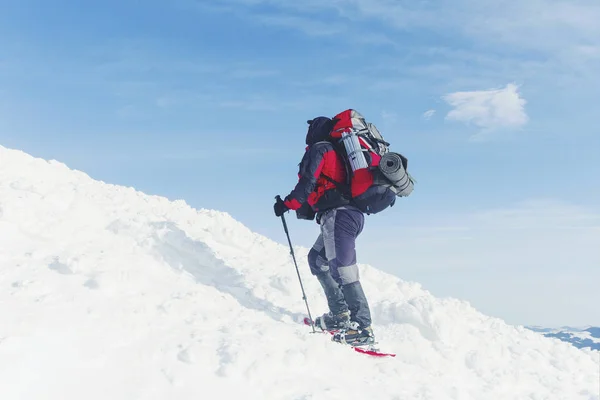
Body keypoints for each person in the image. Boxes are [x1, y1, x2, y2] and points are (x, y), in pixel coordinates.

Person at [273, 116, 375, 346]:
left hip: (340, 216)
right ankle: (340, 315)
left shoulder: (321, 149)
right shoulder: (337, 152)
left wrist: (288, 204)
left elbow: (308, 181)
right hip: (346, 216)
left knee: (344, 270)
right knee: (317, 261)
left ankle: (362, 327)